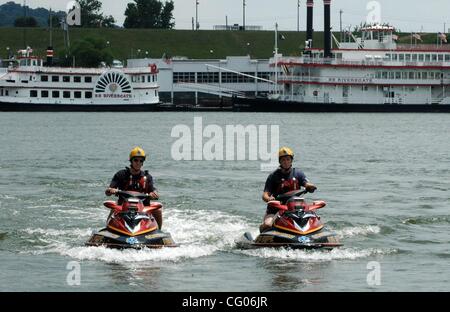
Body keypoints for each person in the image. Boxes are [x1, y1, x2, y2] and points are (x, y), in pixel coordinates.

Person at [260, 147, 317, 232]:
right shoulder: (273, 176)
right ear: (280, 161)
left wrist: (310, 186)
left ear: (291, 160)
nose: (286, 162)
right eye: (283, 160)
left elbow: (306, 183)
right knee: (268, 224)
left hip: (295, 208)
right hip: (277, 208)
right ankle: (259, 236)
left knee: (314, 218)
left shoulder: (298, 173)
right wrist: (269, 199)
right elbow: (265, 195)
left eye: (288, 159)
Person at [105, 147, 162, 229]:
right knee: (114, 210)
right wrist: (111, 190)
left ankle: (159, 231)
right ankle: (108, 229)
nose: (138, 163)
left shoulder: (147, 177)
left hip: (143, 208)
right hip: (123, 206)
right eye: (136, 160)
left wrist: (154, 193)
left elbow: (153, 189)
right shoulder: (121, 174)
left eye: (141, 161)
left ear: (143, 163)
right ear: (131, 161)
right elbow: (108, 191)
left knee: (158, 210)